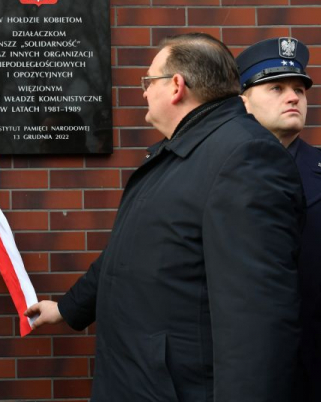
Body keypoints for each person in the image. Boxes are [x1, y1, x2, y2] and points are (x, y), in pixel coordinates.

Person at [25, 33, 304, 401]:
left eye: (148, 82)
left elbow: (256, 320)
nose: (144, 92)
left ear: (176, 86)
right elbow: (129, 252)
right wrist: (66, 309)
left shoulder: (243, 157)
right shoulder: (182, 152)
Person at [237, 36, 320, 402]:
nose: (294, 97)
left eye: (300, 90)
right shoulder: (220, 170)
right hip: (243, 364)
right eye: (277, 88)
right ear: (243, 101)